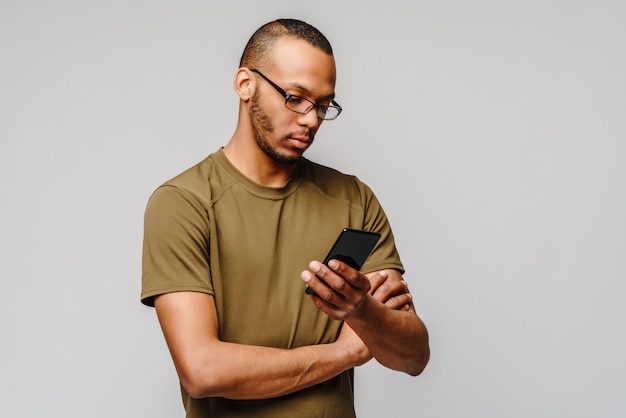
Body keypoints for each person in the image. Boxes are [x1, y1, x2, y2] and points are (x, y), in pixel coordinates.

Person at [141, 18, 429, 418]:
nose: (311, 119)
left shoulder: (354, 199)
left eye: (324, 105)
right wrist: (344, 352)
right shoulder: (184, 203)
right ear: (245, 84)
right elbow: (203, 370)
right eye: (295, 97)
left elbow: (412, 356)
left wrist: (363, 312)